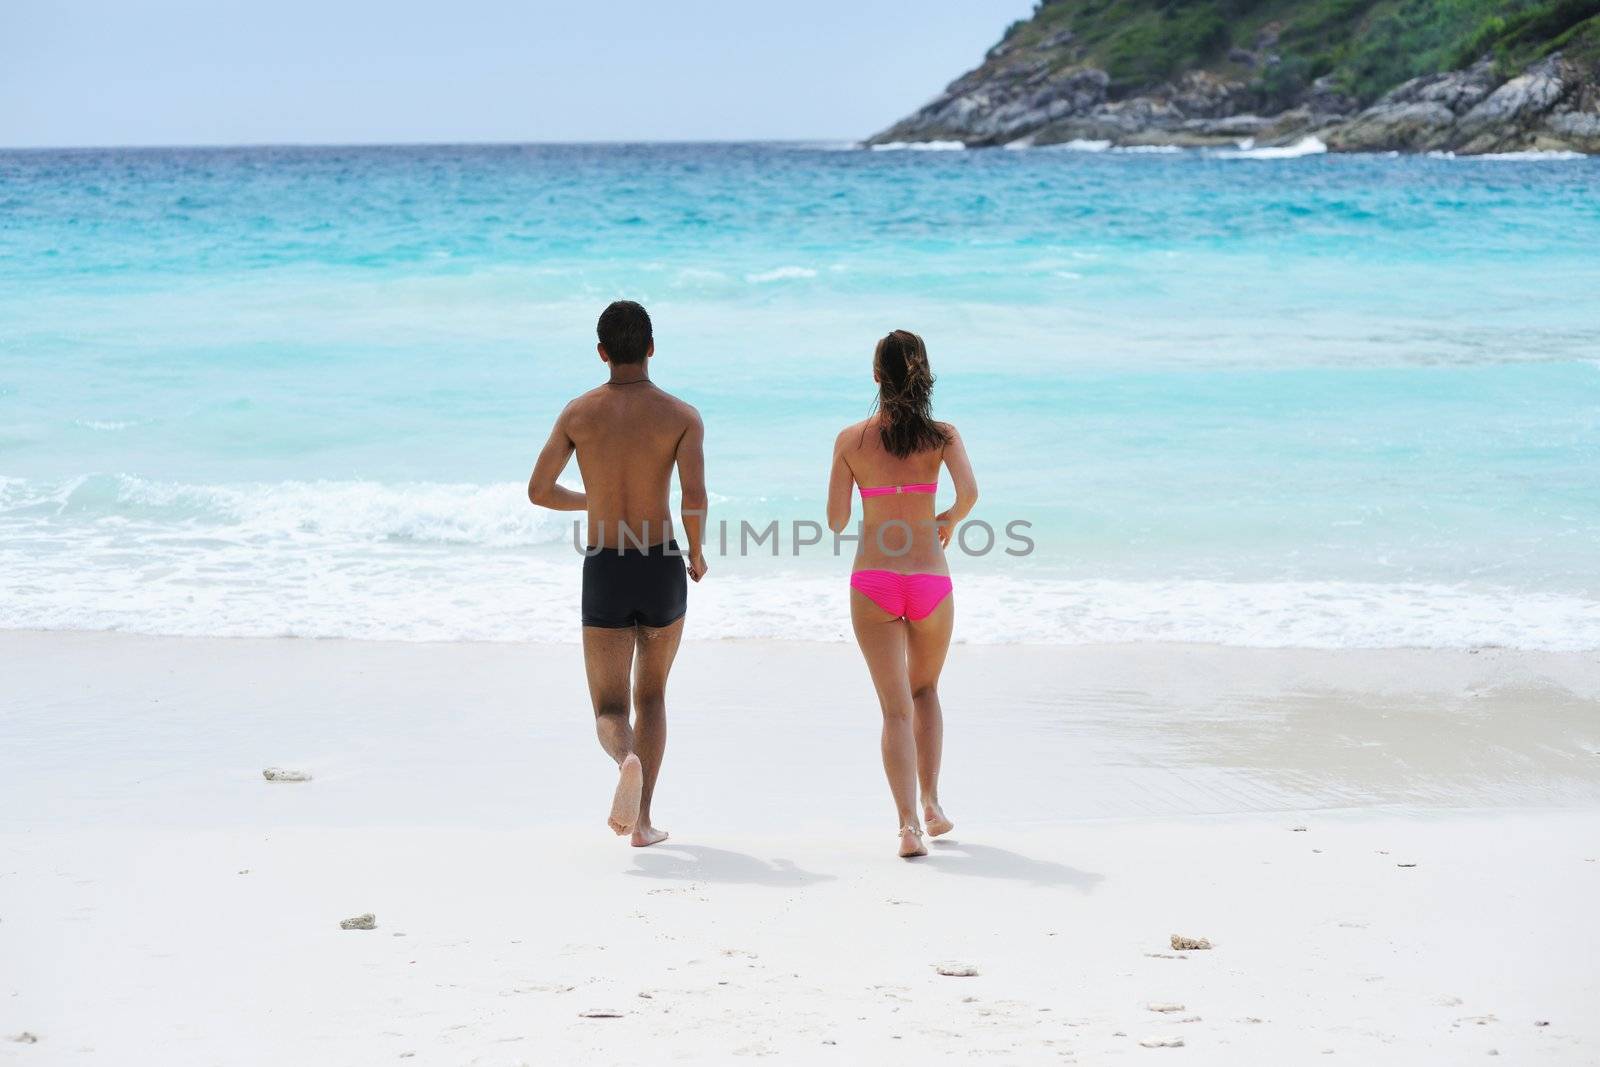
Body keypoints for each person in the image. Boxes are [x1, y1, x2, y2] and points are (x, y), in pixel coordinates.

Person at [527, 300, 707, 847]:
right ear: (651, 348)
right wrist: (696, 554)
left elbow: (539, 490)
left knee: (610, 707)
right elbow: (694, 496)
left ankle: (624, 757)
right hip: (660, 563)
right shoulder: (681, 416)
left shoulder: (579, 414)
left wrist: (595, 499)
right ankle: (644, 821)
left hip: (606, 564)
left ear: (602, 353)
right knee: (651, 696)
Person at [828, 329, 978, 858]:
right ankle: (933, 801)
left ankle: (908, 827)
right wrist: (949, 520)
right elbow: (970, 494)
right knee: (925, 692)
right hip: (930, 580)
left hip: (874, 582)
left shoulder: (850, 440)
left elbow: (835, 519)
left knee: (895, 710)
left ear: (875, 377)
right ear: (925, 375)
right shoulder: (944, 436)